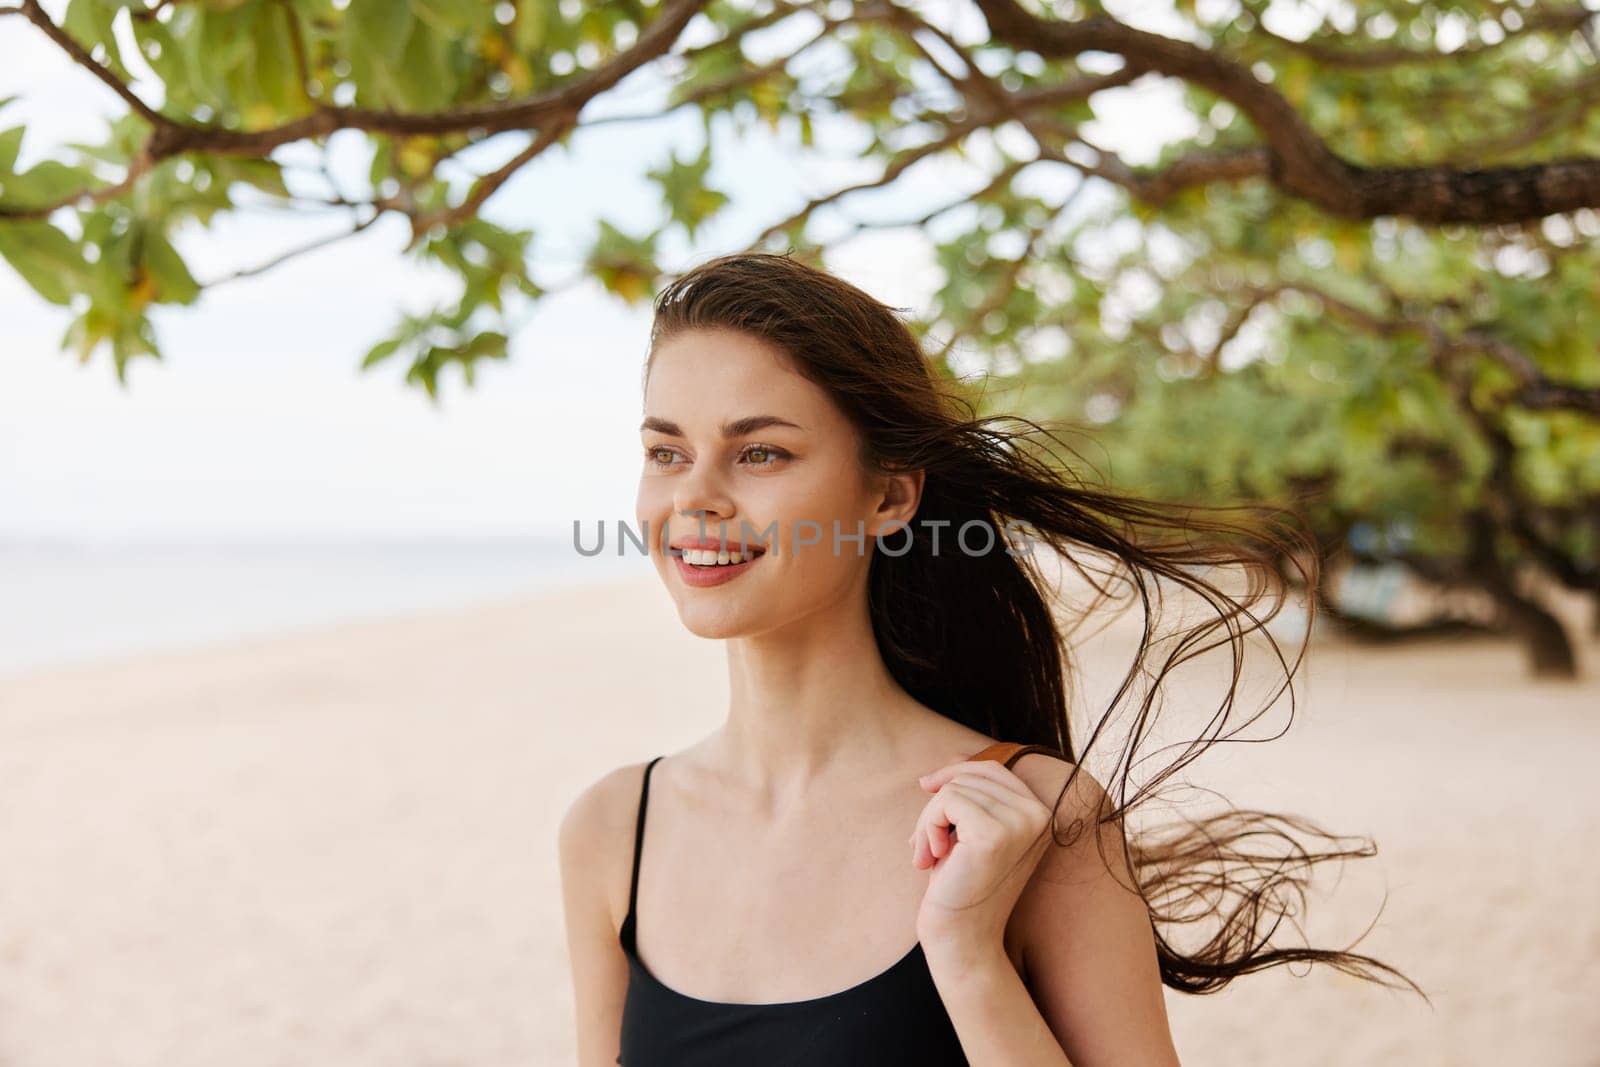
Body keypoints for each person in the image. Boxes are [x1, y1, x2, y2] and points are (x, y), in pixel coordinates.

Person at [558, 251, 1420, 1066]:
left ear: (890, 494)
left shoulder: (1041, 816)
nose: (695, 497)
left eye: (760, 452)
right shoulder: (610, 830)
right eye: (666, 452)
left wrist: (967, 956)